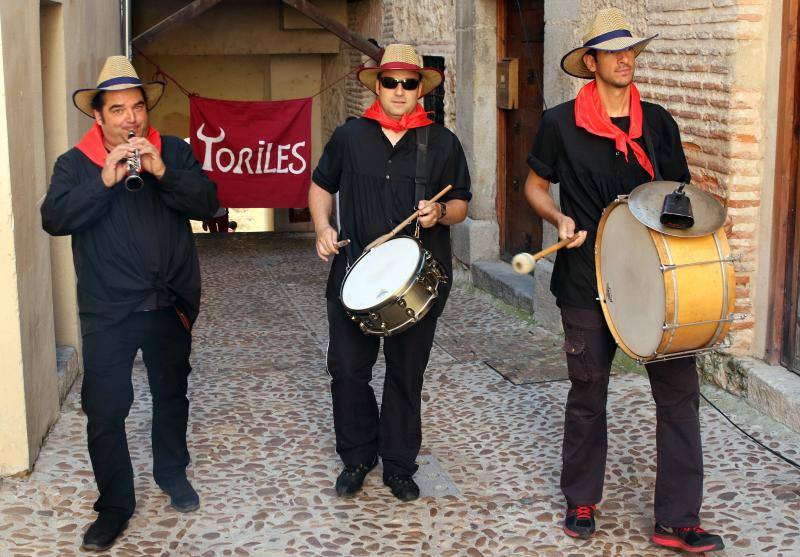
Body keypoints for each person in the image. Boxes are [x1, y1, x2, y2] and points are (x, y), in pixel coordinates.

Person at [523, 8, 725, 553]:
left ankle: (677, 519)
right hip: (586, 280)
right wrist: (558, 219)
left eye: (631, 49)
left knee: (680, 397)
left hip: (656, 284)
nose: (625, 58)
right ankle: (581, 499)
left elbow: (674, 195)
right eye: (613, 51)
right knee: (589, 394)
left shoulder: (658, 122)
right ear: (590, 62)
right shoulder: (560, 122)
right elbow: (536, 186)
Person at [41, 56, 219, 551]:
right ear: (98, 116)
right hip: (108, 312)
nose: (131, 119)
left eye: (137, 107)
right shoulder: (74, 165)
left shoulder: (175, 153)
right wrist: (103, 179)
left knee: (171, 393)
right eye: (117, 110)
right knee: (105, 409)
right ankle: (115, 505)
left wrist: (163, 172)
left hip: (167, 305)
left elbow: (208, 204)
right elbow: (54, 219)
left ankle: (171, 472)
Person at [309, 44, 471, 502]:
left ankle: (399, 464)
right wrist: (322, 227)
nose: (399, 91)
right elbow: (321, 185)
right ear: (377, 85)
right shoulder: (350, 136)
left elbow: (461, 202)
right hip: (353, 272)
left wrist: (440, 212)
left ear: (422, 88)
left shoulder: (441, 142)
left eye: (409, 83)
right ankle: (358, 457)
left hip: (416, 281)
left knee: (405, 374)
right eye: (390, 81)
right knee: (347, 370)